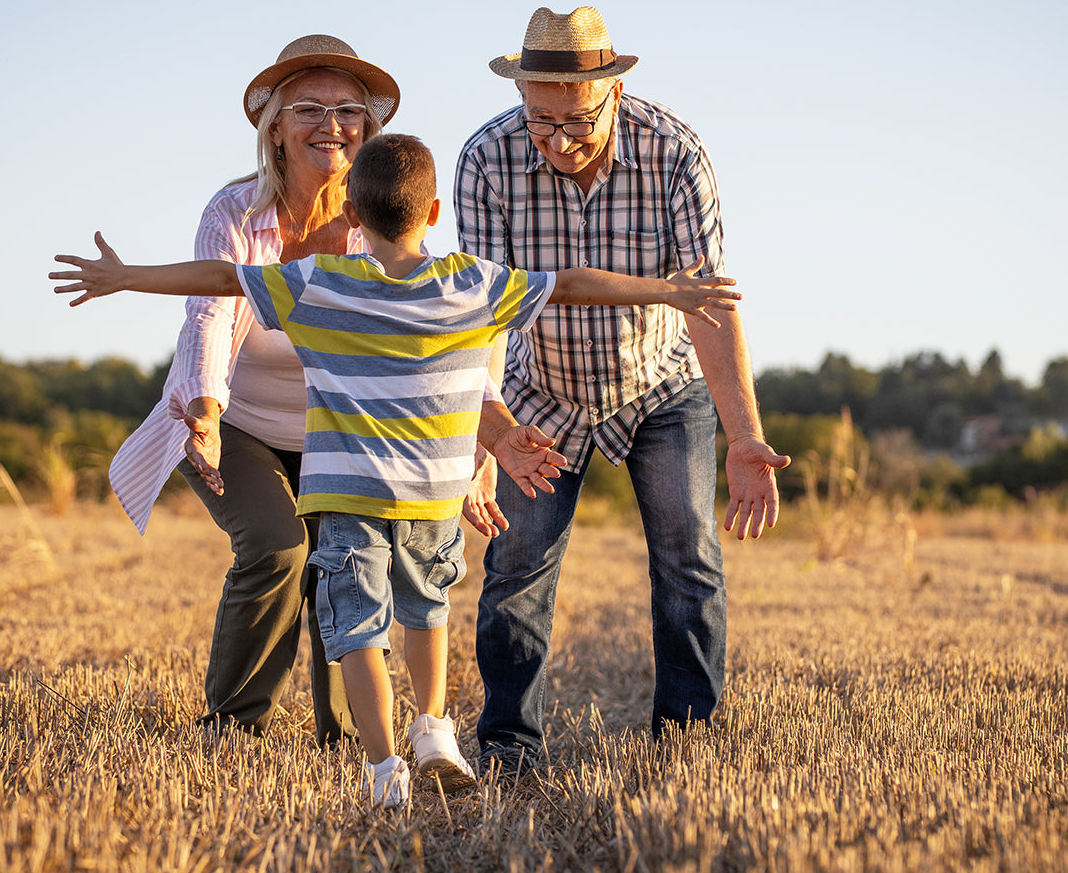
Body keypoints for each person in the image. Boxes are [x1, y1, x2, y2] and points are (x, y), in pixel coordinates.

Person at [51, 133, 742, 805]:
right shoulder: (472, 282)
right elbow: (572, 285)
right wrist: (666, 291)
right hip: (436, 495)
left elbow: (220, 279)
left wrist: (127, 277)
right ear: (434, 213)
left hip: (347, 495)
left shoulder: (319, 284)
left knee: (358, 631)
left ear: (351, 215)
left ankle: (384, 767)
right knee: (427, 611)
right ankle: (434, 725)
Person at [455, 6, 791, 774]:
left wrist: (742, 436)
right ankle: (508, 745)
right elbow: (478, 315)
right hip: (541, 391)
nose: (557, 140)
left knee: (688, 557)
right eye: (540, 121)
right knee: (516, 568)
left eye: (576, 120)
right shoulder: (485, 159)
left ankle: (687, 741)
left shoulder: (676, 153)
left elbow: (710, 305)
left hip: (660, 386)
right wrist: (487, 435)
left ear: (613, 93)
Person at [105, 34, 396, 746]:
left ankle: (352, 733)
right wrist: (203, 411)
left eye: (348, 108)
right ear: (274, 129)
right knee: (275, 545)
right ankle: (233, 725)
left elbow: (422, 328)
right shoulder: (235, 212)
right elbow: (209, 310)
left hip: (339, 433)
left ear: (369, 128)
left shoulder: (379, 222)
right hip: (236, 421)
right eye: (309, 108)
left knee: (346, 563)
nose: (331, 123)